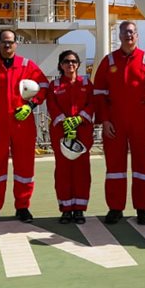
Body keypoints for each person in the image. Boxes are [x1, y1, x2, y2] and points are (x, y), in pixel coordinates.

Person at [92, 21, 145, 225]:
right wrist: (104, 121)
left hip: (142, 119)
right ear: (120, 36)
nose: (128, 36)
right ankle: (115, 208)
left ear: (137, 35)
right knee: (115, 166)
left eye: (132, 32)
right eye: (125, 33)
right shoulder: (109, 61)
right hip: (115, 121)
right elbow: (99, 93)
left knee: (144, 164)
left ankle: (143, 208)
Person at [0, 29, 48, 224]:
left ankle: (23, 207)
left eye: (10, 42)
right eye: (4, 42)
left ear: (16, 44)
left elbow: (44, 86)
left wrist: (31, 105)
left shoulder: (27, 65)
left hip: (23, 126)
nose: (7, 45)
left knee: (25, 167)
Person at [47, 49, 95, 224]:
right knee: (63, 171)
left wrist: (80, 118)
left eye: (74, 61)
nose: (70, 64)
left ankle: (79, 209)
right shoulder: (55, 85)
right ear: (61, 65)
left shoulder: (86, 83)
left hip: (83, 132)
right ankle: (66, 209)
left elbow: (92, 103)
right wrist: (63, 121)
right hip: (61, 133)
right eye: (66, 61)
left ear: (78, 64)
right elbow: (51, 105)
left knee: (82, 171)